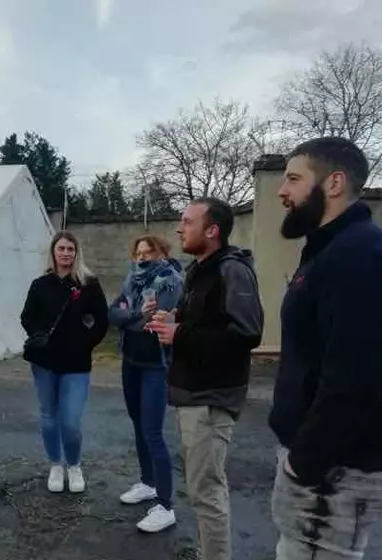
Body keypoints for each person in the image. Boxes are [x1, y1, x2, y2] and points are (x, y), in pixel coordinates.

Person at [269, 137, 382, 559]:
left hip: (338, 470)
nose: (282, 190)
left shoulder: (359, 256)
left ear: (333, 183)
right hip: (330, 465)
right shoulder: (333, 250)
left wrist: (304, 461)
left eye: (294, 178)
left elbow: (356, 377)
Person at [146, 198, 263, 560]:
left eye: (187, 221)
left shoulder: (232, 270)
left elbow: (248, 334)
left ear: (212, 230)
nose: (180, 228)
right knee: (201, 489)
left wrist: (180, 334)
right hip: (192, 393)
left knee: (207, 492)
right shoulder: (198, 269)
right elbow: (198, 321)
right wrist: (169, 318)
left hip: (212, 398)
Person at [20, 231, 109, 494]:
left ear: (76, 252)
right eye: (62, 248)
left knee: (70, 421)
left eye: (71, 248)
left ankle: (74, 465)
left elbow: (102, 320)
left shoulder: (88, 284)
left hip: (76, 364)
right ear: (53, 251)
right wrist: (39, 337)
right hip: (44, 362)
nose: (66, 253)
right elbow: (27, 317)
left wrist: (85, 342)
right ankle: (55, 465)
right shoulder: (40, 284)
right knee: (49, 418)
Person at [108, 235, 183, 533]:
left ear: (162, 252)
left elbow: (152, 322)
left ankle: (166, 505)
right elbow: (112, 313)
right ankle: (148, 482)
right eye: (138, 252)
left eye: (149, 251)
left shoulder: (171, 281)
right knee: (138, 423)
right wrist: (134, 314)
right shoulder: (132, 278)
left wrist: (131, 316)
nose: (142, 257)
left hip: (155, 364)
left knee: (152, 432)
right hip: (131, 361)